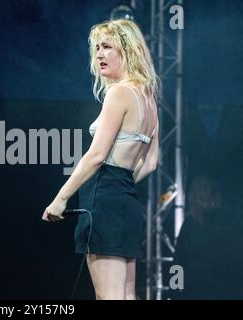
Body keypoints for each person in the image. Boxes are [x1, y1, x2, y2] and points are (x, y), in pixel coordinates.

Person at [42, 19, 159, 300]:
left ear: (127, 50)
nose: (99, 54)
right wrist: (120, 185)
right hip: (125, 200)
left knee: (110, 297)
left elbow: (96, 155)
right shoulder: (148, 98)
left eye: (107, 46)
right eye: (96, 48)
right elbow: (151, 162)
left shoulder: (120, 93)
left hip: (105, 201)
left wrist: (61, 197)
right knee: (127, 295)